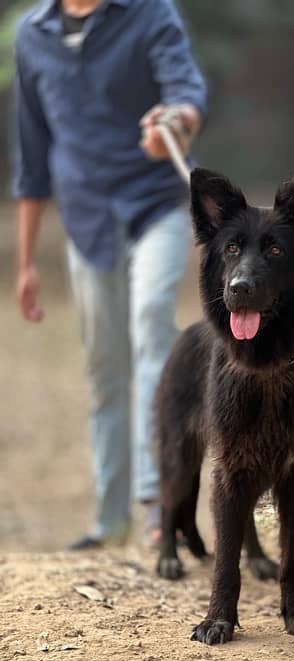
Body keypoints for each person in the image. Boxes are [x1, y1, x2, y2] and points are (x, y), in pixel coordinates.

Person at [13, 0, 207, 549]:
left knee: (151, 325)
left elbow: (185, 90)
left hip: (156, 206)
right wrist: (26, 264)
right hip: (87, 217)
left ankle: (157, 503)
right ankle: (110, 519)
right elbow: (31, 153)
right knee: (104, 367)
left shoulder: (151, 14)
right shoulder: (32, 35)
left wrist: (175, 121)